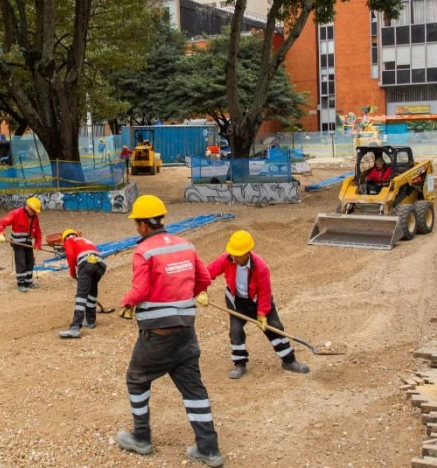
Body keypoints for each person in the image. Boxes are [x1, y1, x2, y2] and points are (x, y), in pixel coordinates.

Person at [115, 195, 224, 467]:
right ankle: (209, 450)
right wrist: (186, 298)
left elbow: (139, 290)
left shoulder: (144, 251)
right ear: (161, 219)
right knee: (194, 390)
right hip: (186, 332)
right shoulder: (186, 244)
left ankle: (141, 437)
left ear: (142, 225)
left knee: (137, 379)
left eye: (136, 223)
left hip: (158, 335)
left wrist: (126, 303)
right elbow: (204, 279)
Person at [204, 230, 310, 380]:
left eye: (237, 254)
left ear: (247, 252)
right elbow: (206, 274)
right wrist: (202, 291)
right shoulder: (226, 259)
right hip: (237, 302)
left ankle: (289, 361)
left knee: (275, 327)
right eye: (232, 253)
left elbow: (265, 292)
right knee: (236, 331)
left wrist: (262, 314)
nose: (234, 256)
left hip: (258, 300)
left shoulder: (261, 266)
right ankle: (239, 365)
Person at [57, 229, 107, 339]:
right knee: (91, 292)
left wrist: (72, 272)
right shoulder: (85, 240)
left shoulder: (69, 240)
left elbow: (70, 254)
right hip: (100, 264)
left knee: (81, 295)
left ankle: (75, 327)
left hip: (86, 264)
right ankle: (90, 321)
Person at [0, 197, 43, 292]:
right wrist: (0, 233)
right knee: (21, 262)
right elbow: (1, 223)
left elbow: (37, 231)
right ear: (28, 207)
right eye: (33, 211)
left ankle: (28, 282)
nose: (34, 213)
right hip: (17, 243)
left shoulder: (34, 217)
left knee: (30, 261)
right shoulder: (16, 213)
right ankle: (21, 283)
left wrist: (38, 243)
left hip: (27, 242)